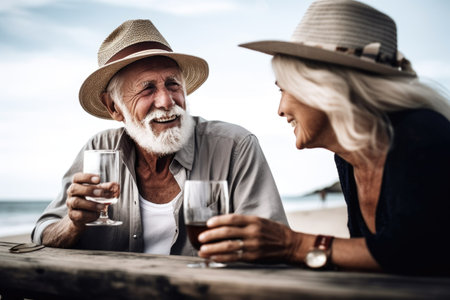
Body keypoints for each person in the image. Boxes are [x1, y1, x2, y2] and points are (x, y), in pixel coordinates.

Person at [197, 0, 450, 275]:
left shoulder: (422, 135)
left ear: (324, 88)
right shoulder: (348, 158)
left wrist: (291, 245)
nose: (280, 110)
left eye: (283, 89)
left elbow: (417, 252)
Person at [31, 19, 288, 255]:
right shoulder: (100, 149)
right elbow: (43, 232)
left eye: (173, 84)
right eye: (147, 89)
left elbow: (274, 242)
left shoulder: (234, 147)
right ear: (113, 107)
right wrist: (72, 225)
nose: (166, 101)